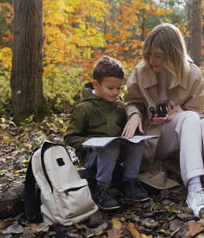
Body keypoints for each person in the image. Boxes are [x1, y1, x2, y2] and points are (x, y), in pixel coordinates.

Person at [121, 23, 204, 219]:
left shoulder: (193, 73)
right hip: (155, 137)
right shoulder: (141, 71)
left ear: (173, 53)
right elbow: (131, 101)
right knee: (190, 118)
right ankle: (194, 189)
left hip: (184, 138)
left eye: (157, 55)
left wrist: (172, 115)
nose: (151, 60)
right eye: (149, 54)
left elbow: (196, 111)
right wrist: (134, 114)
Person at [64, 56, 149, 210]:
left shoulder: (118, 107)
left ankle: (130, 182)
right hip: (93, 157)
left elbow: (125, 131)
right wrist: (91, 143)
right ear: (96, 84)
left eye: (119, 88)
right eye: (110, 88)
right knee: (110, 146)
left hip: (115, 155)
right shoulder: (85, 108)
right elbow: (70, 137)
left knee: (137, 142)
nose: (115, 92)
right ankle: (102, 188)